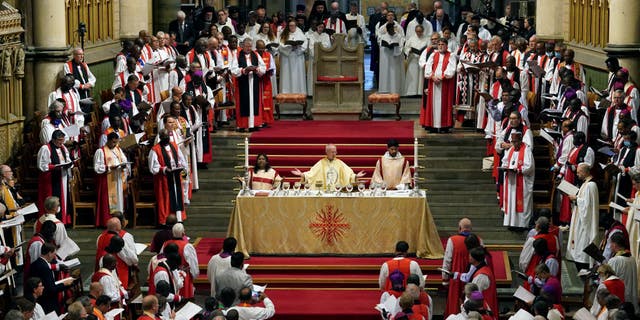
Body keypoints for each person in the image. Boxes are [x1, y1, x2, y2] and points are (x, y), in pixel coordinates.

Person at [149, 129, 188, 225]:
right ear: (161, 137)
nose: (167, 139)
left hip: (175, 176)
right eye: (165, 137)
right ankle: (166, 220)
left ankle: (178, 218)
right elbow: (152, 167)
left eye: (168, 137)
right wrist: (164, 169)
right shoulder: (155, 150)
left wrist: (182, 167)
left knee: (177, 196)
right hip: (164, 179)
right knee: (166, 199)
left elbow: (181, 159)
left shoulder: (174, 145)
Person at [442, 218, 478, 317]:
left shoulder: (453, 240)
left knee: (455, 307)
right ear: (471, 228)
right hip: (474, 278)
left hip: (456, 280)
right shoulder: (478, 240)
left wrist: (445, 279)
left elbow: (447, 261)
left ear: (459, 228)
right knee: (474, 304)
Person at [566, 163, 599, 271]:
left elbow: (588, 205)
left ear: (585, 172)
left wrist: (576, 199)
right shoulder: (586, 183)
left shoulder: (591, 185)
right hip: (580, 217)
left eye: (579, 172)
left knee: (583, 240)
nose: (577, 174)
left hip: (585, 221)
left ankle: (584, 264)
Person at [93, 132, 130, 227]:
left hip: (117, 178)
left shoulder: (118, 149)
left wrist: (124, 165)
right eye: (113, 142)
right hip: (107, 179)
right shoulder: (100, 151)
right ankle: (107, 221)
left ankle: (118, 221)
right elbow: (97, 167)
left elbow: (124, 160)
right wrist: (109, 167)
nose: (115, 144)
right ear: (108, 141)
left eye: (116, 142)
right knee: (108, 202)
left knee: (118, 200)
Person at [291, 144, 365, 190]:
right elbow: (311, 174)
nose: (335, 154)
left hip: (337, 190)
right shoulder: (321, 163)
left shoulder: (339, 163)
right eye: (332, 152)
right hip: (324, 191)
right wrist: (302, 174)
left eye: (335, 152)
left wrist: (356, 176)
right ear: (327, 152)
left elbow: (348, 174)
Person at [37, 130, 73, 224]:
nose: (61, 142)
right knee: (52, 199)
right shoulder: (46, 148)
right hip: (51, 179)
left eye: (62, 140)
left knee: (64, 199)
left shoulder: (63, 148)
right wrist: (54, 166)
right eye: (59, 140)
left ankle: (63, 220)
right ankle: (50, 221)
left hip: (63, 177)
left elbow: (68, 160)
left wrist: (69, 164)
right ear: (53, 139)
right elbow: (41, 165)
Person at [421, 37, 456, 132]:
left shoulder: (451, 55)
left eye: (442, 45)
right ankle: (433, 126)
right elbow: (428, 67)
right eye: (439, 44)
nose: (440, 46)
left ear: (446, 46)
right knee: (433, 105)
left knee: (444, 105)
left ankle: (444, 126)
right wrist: (432, 76)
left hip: (445, 84)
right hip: (433, 83)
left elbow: (451, 68)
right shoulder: (433, 55)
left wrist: (442, 77)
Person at [28, 242, 75, 314]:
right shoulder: (45, 268)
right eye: (54, 254)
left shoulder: (36, 263)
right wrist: (65, 284)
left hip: (39, 299)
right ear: (49, 253)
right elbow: (51, 289)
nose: (54, 256)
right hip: (48, 303)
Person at [501, 131, 535, 229]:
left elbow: (529, 166)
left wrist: (519, 170)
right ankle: (511, 223)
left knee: (522, 203)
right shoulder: (511, 149)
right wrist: (504, 166)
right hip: (511, 181)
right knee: (511, 201)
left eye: (515, 141)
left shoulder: (527, 150)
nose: (514, 143)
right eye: (513, 141)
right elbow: (505, 161)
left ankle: (522, 224)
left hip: (522, 181)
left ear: (520, 140)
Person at [231, 38, 266, 132]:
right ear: (243, 46)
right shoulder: (237, 55)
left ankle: (255, 123)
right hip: (243, 83)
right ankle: (243, 125)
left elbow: (263, 67)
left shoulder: (255, 54)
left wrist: (257, 69)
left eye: (250, 46)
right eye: (247, 46)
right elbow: (233, 70)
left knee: (255, 103)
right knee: (244, 103)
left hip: (254, 82)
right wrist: (243, 70)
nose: (249, 48)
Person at [161, 223, 199, 299]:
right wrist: (194, 276)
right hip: (183, 277)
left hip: (169, 274)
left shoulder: (165, 244)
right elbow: (193, 264)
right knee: (184, 301)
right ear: (183, 233)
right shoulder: (187, 246)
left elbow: (161, 259)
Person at [607, 233, 638, 311]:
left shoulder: (615, 261)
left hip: (620, 301)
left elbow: (607, 281)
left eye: (610, 243)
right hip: (631, 300)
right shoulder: (632, 259)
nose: (609, 246)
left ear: (614, 244)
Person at [278, 20, 308, 95]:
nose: (292, 27)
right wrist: (290, 48)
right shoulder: (284, 34)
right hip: (287, 58)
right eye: (290, 25)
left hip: (297, 57)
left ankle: (299, 92)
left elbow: (305, 44)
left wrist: (297, 48)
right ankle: (286, 92)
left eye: (293, 25)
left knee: (297, 75)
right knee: (286, 75)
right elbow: (280, 45)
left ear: (296, 26)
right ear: (288, 26)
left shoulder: (300, 33)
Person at [468, 247, 498, 320]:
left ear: (474, 259)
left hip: (483, 314)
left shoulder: (481, 276)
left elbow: (474, 297)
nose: (468, 257)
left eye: (470, 255)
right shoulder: (484, 268)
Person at [377, 21, 405, 94]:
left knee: (394, 74)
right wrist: (386, 46)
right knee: (385, 73)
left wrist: (395, 47)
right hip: (386, 58)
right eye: (389, 30)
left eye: (391, 29)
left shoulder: (398, 36)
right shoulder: (383, 36)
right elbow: (380, 45)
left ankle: (395, 90)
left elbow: (401, 46)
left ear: (393, 28)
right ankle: (384, 89)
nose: (390, 31)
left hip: (394, 58)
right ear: (387, 30)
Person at [403, 25, 430, 97]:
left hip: (422, 59)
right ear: (415, 31)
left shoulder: (427, 39)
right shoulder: (411, 39)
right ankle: (411, 92)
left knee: (421, 76)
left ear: (423, 31)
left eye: (420, 31)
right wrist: (410, 50)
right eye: (417, 31)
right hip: (413, 60)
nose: (419, 33)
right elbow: (406, 48)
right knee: (413, 76)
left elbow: (429, 48)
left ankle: (420, 92)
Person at [306, 21, 331, 96]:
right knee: (312, 74)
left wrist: (320, 47)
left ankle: (322, 92)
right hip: (314, 59)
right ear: (316, 27)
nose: (321, 29)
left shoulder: (326, 35)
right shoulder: (311, 36)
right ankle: (311, 92)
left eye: (322, 27)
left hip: (323, 58)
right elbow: (311, 47)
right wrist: (317, 52)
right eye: (319, 27)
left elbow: (328, 45)